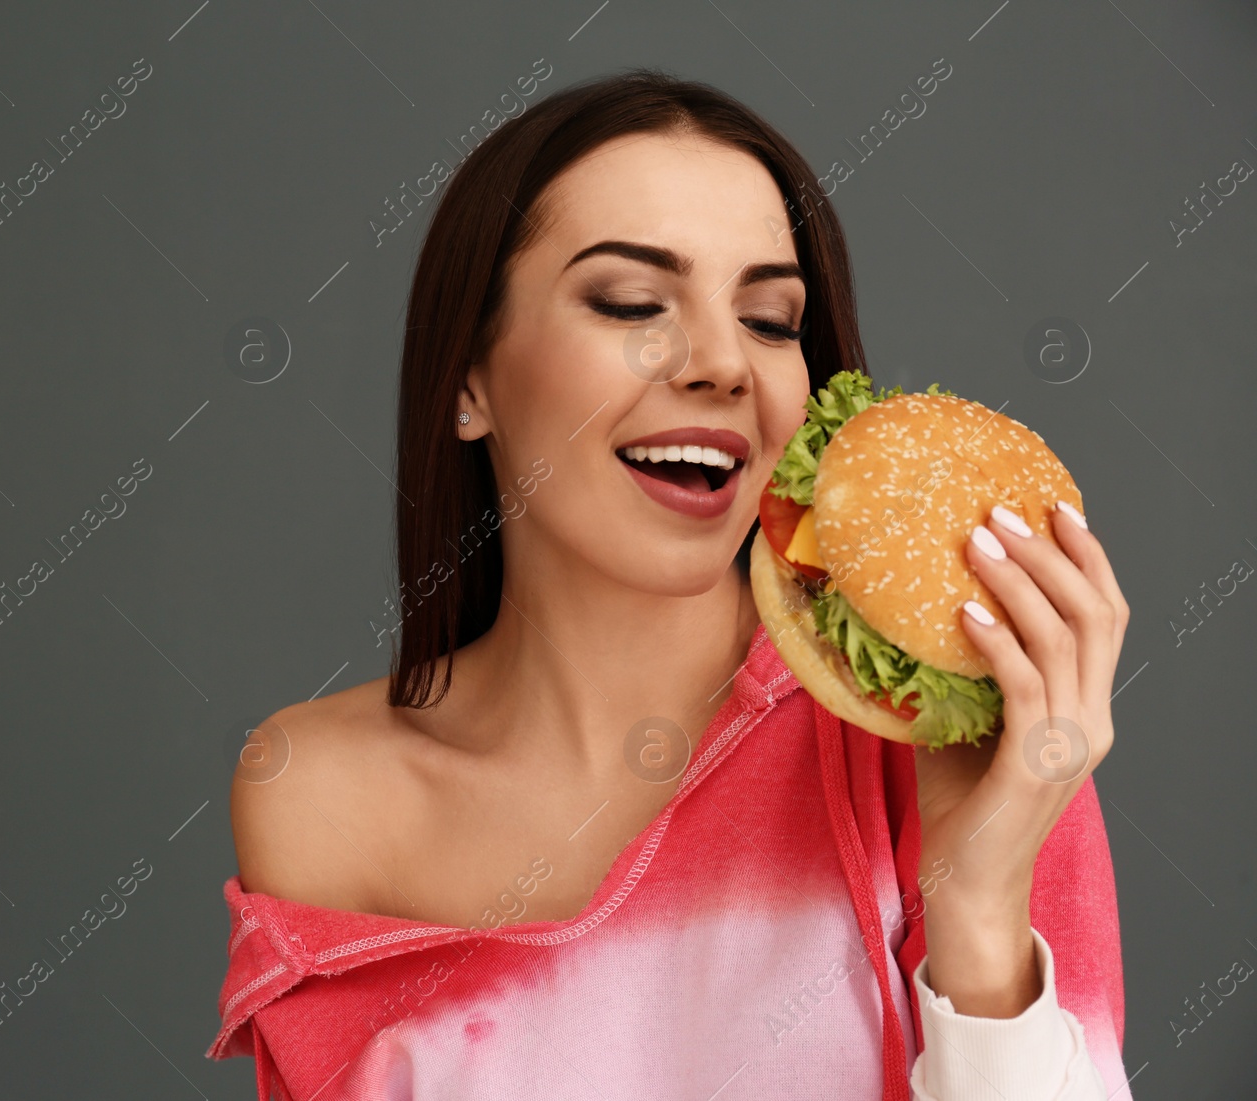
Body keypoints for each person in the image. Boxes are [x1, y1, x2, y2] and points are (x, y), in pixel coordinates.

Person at [208, 69, 1132, 1100]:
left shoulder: (938, 734)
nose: (722, 364)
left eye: (773, 320)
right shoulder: (317, 791)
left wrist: (980, 907)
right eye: (632, 303)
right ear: (468, 380)